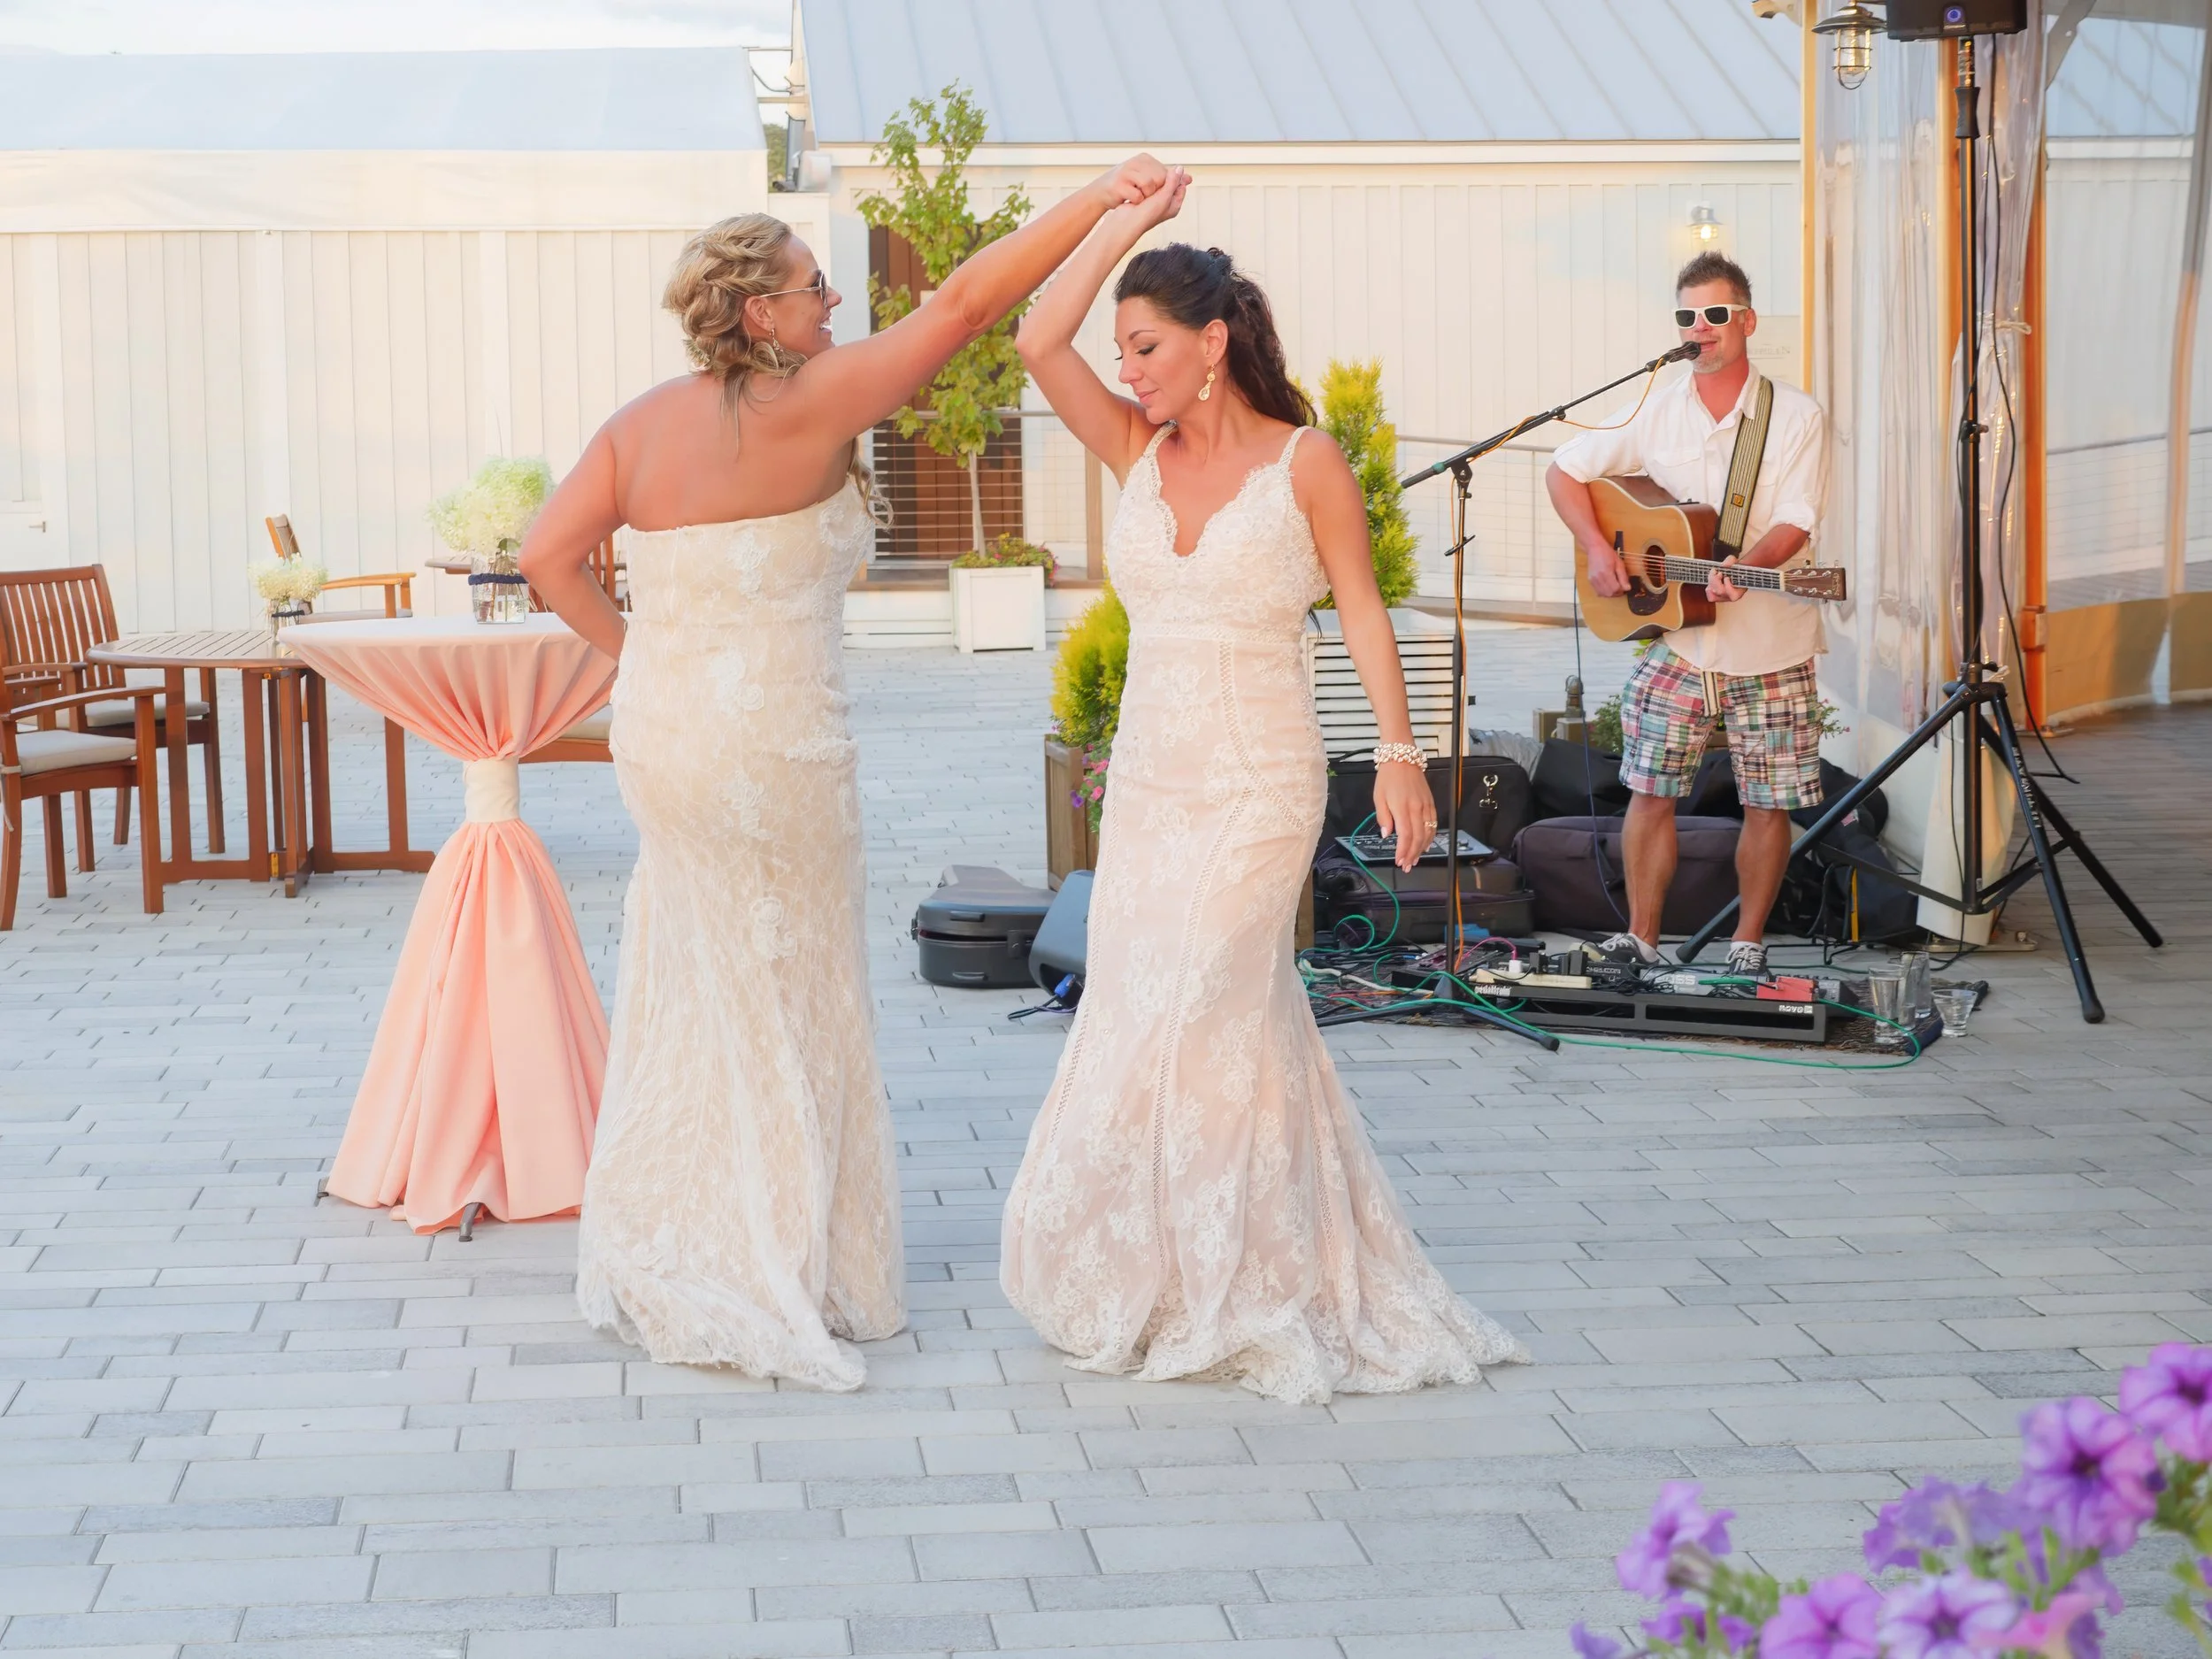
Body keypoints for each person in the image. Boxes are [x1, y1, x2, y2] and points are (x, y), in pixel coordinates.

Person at [520, 155, 1177, 1392]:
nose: (832, 306)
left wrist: (648, 658)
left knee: (700, 978)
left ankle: (691, 1223)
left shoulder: (638, 423)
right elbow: (967, 306)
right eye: (815, 287)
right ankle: (787, 1255)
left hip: (665, 735)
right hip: (774, 747)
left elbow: (549, 557)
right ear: (758, 312)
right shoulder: (813, 401)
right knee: (795, 986)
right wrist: (1098, 200)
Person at [998, 171, 1529, 1404]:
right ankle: (1182, 1266)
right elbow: (1034, 335)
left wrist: (1403, 760)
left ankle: (1245, 1275)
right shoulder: (1132, 447)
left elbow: (1359, 607)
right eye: (1122, 347)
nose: (1126, 368)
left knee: (1206, 998)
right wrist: (1118, 227)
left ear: (1213, 342)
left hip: (1255, 782)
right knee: (1158, 1008)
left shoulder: (1305, 461)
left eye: (1146, 345)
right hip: (1152, 783)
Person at [1544, 251, 1831, 979]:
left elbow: (1797, 517)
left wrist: (1749, 561)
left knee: (1768, 802)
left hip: (1770, 642)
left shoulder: (1794, 415)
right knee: (1648, 789)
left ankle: (1748, 943)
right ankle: (1641, 939)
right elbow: (1565, 469)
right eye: (1688, 316)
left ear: (1747, 322)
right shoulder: (1656, 406)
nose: (1700, 328)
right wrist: (1600, 554)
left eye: (1715, 314)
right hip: (1679, 645)